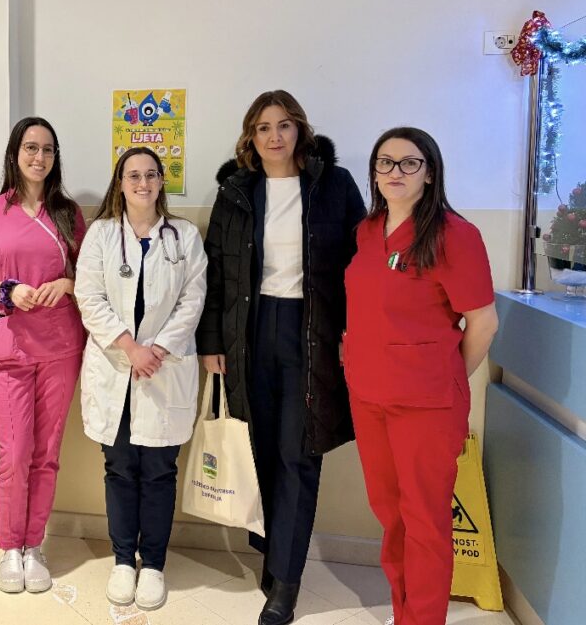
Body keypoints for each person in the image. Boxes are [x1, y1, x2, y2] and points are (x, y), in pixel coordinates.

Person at [196, 90, 366, 625]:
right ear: (251, 136)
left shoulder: (335, 186)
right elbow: (216, 271)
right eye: (264, 127)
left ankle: (286, 583)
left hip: (311, 333)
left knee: (299, 452)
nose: (275, 136)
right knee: (260, 448)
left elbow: (360, 266)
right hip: (249, 331)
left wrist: (354, 332)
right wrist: (211, 341)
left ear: (300, 130)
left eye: (284, 125)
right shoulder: (235, 191)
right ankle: (273, 553)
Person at [343, 128, 497, 625]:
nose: (396, 172)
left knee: (425, 521)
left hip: (427, 404)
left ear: (429, 173)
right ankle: (403, 610)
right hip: (369, 395)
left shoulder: (455, 235)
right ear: (374, 172)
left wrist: (446, 376)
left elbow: (483, 322)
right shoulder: (368, 231)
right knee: (390, 515)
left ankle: (423, 619)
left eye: (410, 163)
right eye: (385, 162)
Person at [75, 147, 207, 611]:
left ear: (161, 181)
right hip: (116, 368)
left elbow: (193, 298)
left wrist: (158, 349)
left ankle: (152, 563)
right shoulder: (101, 234)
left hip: (164, 370)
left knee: (159, 470)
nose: (143, 183)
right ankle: (121, 561)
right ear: (121, 182)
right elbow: (88, 296)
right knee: (119, 469)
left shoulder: (184, 236)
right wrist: (131, 348)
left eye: (151, 175)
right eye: (134, 175)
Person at [0, 116, 87, 594]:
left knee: (46, 454)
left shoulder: (68, 214)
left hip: (61, 347)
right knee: (14, 454)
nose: (39, 157)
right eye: (31, 148)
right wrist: (6, 289)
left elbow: (89, 277)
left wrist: (66, 284)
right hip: (8, 347)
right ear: (15, 154)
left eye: (48, 149)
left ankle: (35, 545)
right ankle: (9, 547)